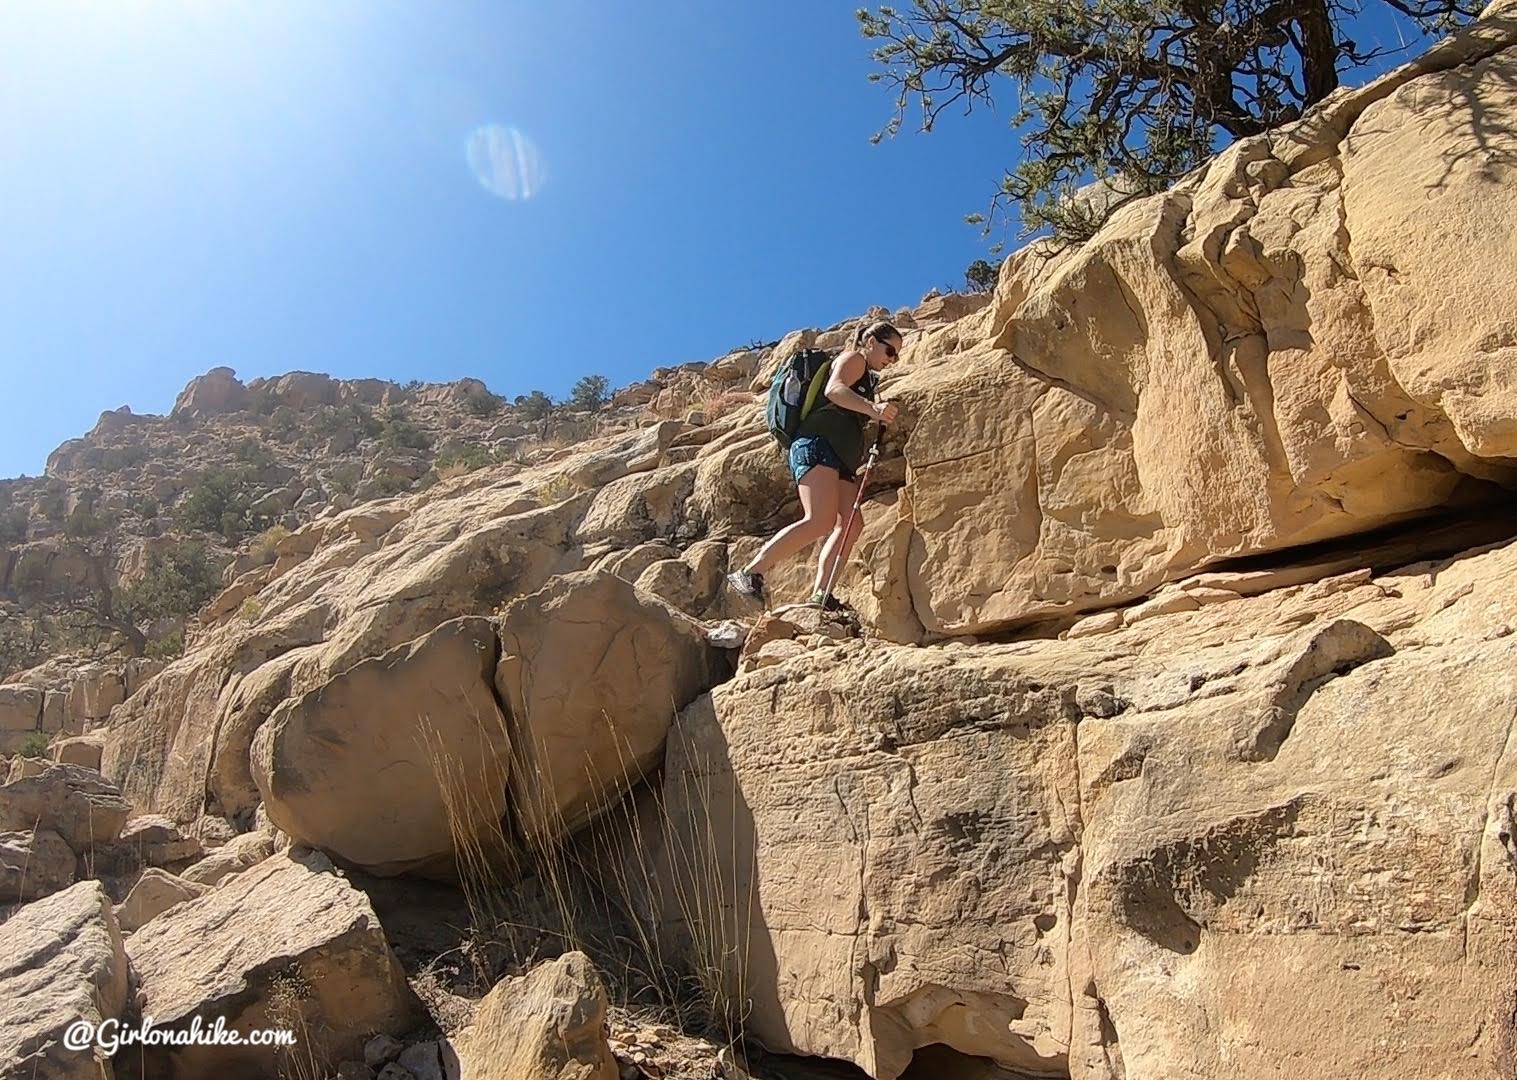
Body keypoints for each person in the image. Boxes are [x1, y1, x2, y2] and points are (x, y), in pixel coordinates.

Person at [727, 320, 903, 609]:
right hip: (817, 444)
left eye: (895, 355)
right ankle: (750, 572)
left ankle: (822, 595)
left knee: (852, 524)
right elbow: (834, 390)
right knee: (820, 519)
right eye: (889, 350)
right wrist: (873, 409)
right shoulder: (854, 358)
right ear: (870, 341)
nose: (892, 360)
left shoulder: (869, 378)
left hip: (839, 458)